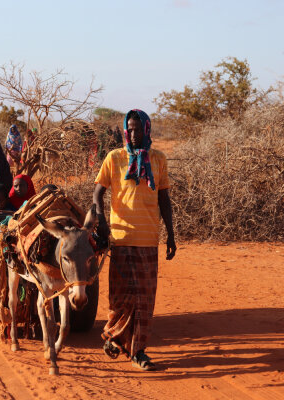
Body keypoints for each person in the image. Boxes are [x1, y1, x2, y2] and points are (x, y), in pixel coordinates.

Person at [93, 109, 176, 371]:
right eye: (129, 129)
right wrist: (102, 222)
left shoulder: (158, 159)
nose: (133, 133)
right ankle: (115, 337)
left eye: (138, 129)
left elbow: (164, 199)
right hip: (120, 237)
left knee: (144, 300)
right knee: (119, 297)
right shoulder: (114, 157)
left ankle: (138, 351)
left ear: (147, 130)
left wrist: (171, 234)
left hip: (148, 240)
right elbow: (97, 194)